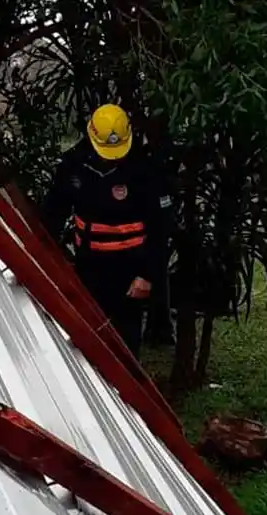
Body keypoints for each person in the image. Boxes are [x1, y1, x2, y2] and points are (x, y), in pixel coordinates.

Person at [40, 104, 172, 359]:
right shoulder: (75, 165)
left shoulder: (144, 169)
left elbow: (161, 227)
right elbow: (53, 212)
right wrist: (46, 256)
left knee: (125, 345)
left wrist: (147, 275)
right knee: (84, 338)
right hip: (88, 267)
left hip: (130, 271)